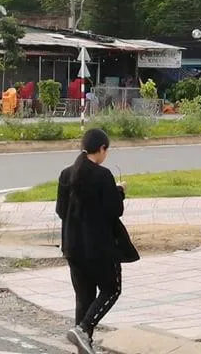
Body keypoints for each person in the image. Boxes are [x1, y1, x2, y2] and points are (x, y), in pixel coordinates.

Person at [56, 128, 139, 354]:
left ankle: (83, 344)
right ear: (101, 148)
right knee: (111, 289)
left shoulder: (66, 174)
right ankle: (83, 330)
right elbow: (114, 210)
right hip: (99, 247)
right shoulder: (102, 176)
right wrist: (119, 191)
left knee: (84, 297)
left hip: (72, 246)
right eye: (106, 150)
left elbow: (61, 210)